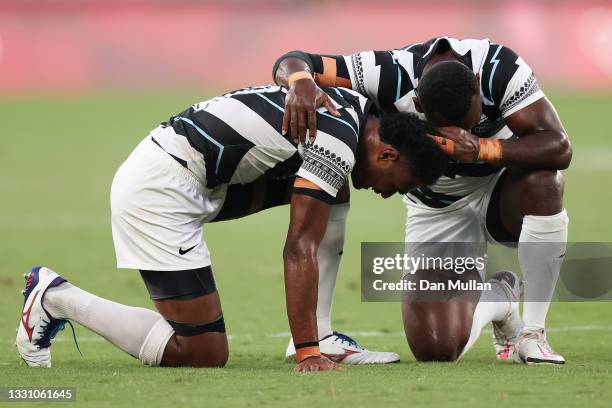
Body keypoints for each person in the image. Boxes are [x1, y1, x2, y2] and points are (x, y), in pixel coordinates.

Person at [17, 84, 447, 372]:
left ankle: (322, 332)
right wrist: (307, 355)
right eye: (398, 186)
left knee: (332, 192)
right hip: (160, 191)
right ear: (387, 154)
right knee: (204, 352)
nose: (388, 194)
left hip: (196, 175)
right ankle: (56, 297)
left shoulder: (350, 107)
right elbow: (299, 247)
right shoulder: (338, 142)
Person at [272, 37, 572, 364]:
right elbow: (295, 60)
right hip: (435, 207)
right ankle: (500, 297)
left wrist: (484, 148)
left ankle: (533, 335)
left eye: (470, 124)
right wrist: (300, 81)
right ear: (417, 104)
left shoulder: (499, 69)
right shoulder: (385, 74)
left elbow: (559, 146)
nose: (461, 134)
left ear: (477, 89)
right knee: (436, 348)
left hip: (501, 187)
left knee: (545, 181)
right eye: (447, 128)